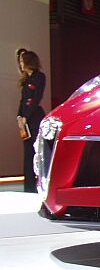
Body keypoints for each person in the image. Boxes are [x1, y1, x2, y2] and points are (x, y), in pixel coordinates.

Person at [16, 49, 46, 193]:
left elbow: (36, 99)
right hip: (25, 122)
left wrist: (26, 116)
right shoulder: (26, 80)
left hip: (34, 119)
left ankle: (40, 184)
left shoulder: (40, 77)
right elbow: (22, 101)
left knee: (37, 152)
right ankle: (28, 187)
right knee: (27, 154)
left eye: (22, 61)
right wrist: (19, 117)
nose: (20, 64)